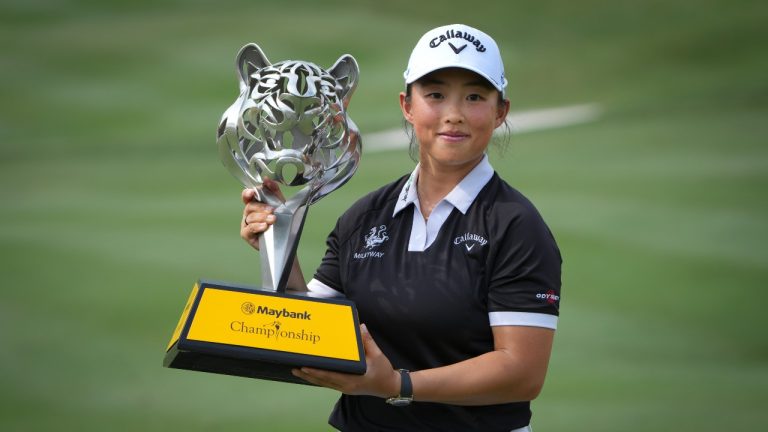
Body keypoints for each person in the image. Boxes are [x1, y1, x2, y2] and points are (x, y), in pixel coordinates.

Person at [240, 23, 562, 432]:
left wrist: (398, 385)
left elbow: (521, 374)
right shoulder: (364, 217)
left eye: (475, 97)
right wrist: (277, 240)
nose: (454, 114)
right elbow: (310, 328)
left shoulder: (515, 226)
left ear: (501, 112)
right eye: (435, 95)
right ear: (407, 106)